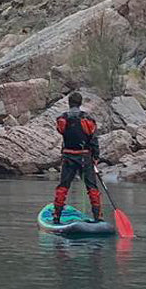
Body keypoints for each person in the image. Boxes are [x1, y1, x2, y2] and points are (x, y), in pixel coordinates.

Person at [52, 91, 102, 224]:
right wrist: (96, 156)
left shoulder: (62, 119)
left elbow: (61, 131)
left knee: (63, 186)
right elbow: (93, 139)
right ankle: (98, 217)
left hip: (68, 156)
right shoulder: (87, 119)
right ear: (80, 103)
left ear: (69, 103)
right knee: (92, 187)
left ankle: (56, 216)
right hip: (85, 157)